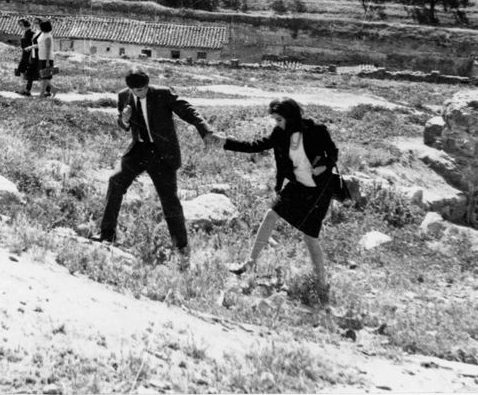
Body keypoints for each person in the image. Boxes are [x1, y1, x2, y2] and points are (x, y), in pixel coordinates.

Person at [211, 98, 340, 289]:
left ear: (291, 116)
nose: (277, 123)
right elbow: (255, 145)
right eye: (275, 120)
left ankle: (321, 283)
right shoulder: (280, 132)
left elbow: (333, 153)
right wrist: (225, 142)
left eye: (279, 119)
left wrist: (323, 167)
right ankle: (250, 264)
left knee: (309, 236)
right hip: (298, 184)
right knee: (271, 215)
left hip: (319, 189)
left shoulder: (316, 130)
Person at [94, 67, 215, 270]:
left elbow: (187, 110)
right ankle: (107, 235)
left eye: (142, 89)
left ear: (148, 85)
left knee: (169, 200)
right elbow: (122, 125)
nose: (139, 93)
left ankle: (181, 249)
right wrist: (123, 119)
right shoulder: (123, 96)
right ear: (129, 87)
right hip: (139, 149)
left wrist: (205, 130)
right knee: (115, 181)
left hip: (162, 154)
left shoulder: (162, 93)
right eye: (135, 90)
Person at [30, 19, 55, 97]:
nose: (39, 26)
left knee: (44, 77)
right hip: (41, 57)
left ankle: (41, 95)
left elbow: (48, 49)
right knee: (43, 77)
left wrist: (47, 61)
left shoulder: (48, 36)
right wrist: (31, 47)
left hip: (46, 58)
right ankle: (54, 89)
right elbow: (40, 45)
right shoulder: (43, 34)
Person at [16, 19, 36, 96]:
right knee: (21, 71)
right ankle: (22, 89)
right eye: (19, 25)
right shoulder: (24, 32)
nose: (20, 26)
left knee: (29, 73)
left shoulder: (32, 33)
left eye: (21, 24)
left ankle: (27, 90)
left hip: (30, 55)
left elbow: (34, 44)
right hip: (24, 54)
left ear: (26, 24)